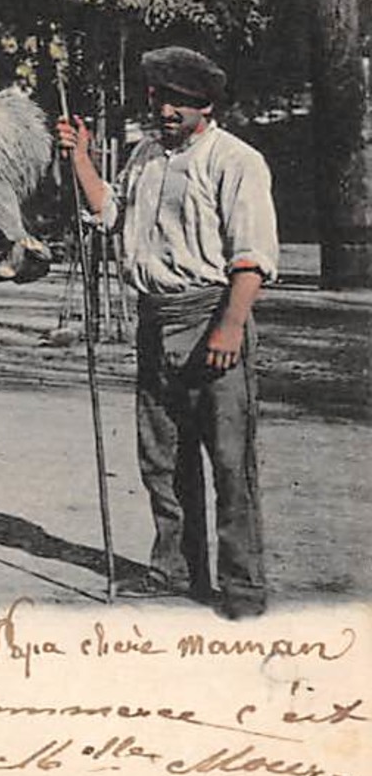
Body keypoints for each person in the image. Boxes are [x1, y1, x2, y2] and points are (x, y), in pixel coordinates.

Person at [57, 46, 279, 621]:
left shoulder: (236, 161)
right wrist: (81, 157)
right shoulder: (147, 156)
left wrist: (230, 328)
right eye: (159, 98)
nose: (165, 110)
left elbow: (251, 257)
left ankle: (243, 588)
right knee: (162, 457)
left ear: (206, 106)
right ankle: (175, 569)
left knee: (230, 462)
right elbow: (108, 211)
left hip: (212, 316)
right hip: (154, 320)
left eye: (179, 101)